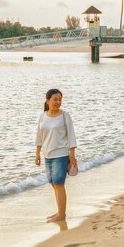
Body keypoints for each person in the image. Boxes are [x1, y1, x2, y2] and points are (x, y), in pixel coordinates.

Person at [35, 89, 77, 223]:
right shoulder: (42, 116)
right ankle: (60, 211)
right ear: (47, 101)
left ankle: (61, 215)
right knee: (53, 183)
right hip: (48, 154)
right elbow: (39, 136)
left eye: (60, 99)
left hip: (61, 154)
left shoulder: (65, 116)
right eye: (55, 99)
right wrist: (37, 154)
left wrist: (72, 155)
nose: (58, 102)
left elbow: (71, 135)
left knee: (59, 183)